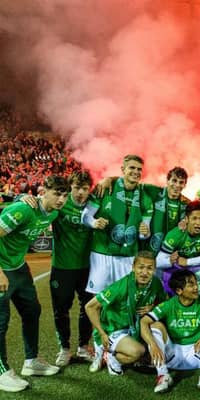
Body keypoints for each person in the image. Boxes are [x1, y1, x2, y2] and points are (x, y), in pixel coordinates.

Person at [0, 175, 68, 392]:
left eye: (65, 195)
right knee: (1, 322)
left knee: (32, 311)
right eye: (57, 193)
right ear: (43, 191)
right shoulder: (24, 210)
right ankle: (1, 372)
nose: (61, 199)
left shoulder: (54, 213)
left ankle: (31, 362)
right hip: (2, 268)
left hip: (19, 267)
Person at [140, 269, 200, 393]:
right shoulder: (169, 305)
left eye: (196, 283)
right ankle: (163, 375)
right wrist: (153, 344)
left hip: (198, 354)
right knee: (155, 325)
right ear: (179, 291)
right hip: (171, 356)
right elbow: (144, 322)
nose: (196, 287)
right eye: (191, 285)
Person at [85, 251, 167, 375]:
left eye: (150, 268)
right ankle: (111, 357)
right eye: (141, 267)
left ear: (155, 269)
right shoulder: (120, 287)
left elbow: (165, 303)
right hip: (114, 329)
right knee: (138, 351)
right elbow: (90, 307)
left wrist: (153, 307)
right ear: (133, 267)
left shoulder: (155, 283)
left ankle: (127, 350)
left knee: (153, 343)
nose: (145, 272)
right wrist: (102, 333)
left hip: (135, 327)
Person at [82, 154, 154, 294]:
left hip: (128, 257)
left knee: (124, 298)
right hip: (102, 253)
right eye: (132, 168)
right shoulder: (105, 189)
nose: (136, 172)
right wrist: (94, 222)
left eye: (139, 169)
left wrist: (145, 233)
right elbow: (85, 216)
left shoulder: (145, 198)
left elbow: (144, 233)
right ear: (123, 169)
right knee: (96, 298)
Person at [50, 171, 96, 366]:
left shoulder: (95, 203)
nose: (80, 193)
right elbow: (42, 202)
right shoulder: (60, 203)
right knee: (61, 309)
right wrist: (26, 197)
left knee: (87, 307)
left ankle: (84, 346)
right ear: (70, 188)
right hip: (62, 266)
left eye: (84, 189)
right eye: (76, 188)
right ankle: (65, 349)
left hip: (88, 267)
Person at [156, 201, 200, 273]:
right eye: (194, 218)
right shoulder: (175, 235)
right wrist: (169, 261)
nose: (198, 223)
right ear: (186, 219)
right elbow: (158, 262)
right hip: (180, 272)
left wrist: (187, 262)